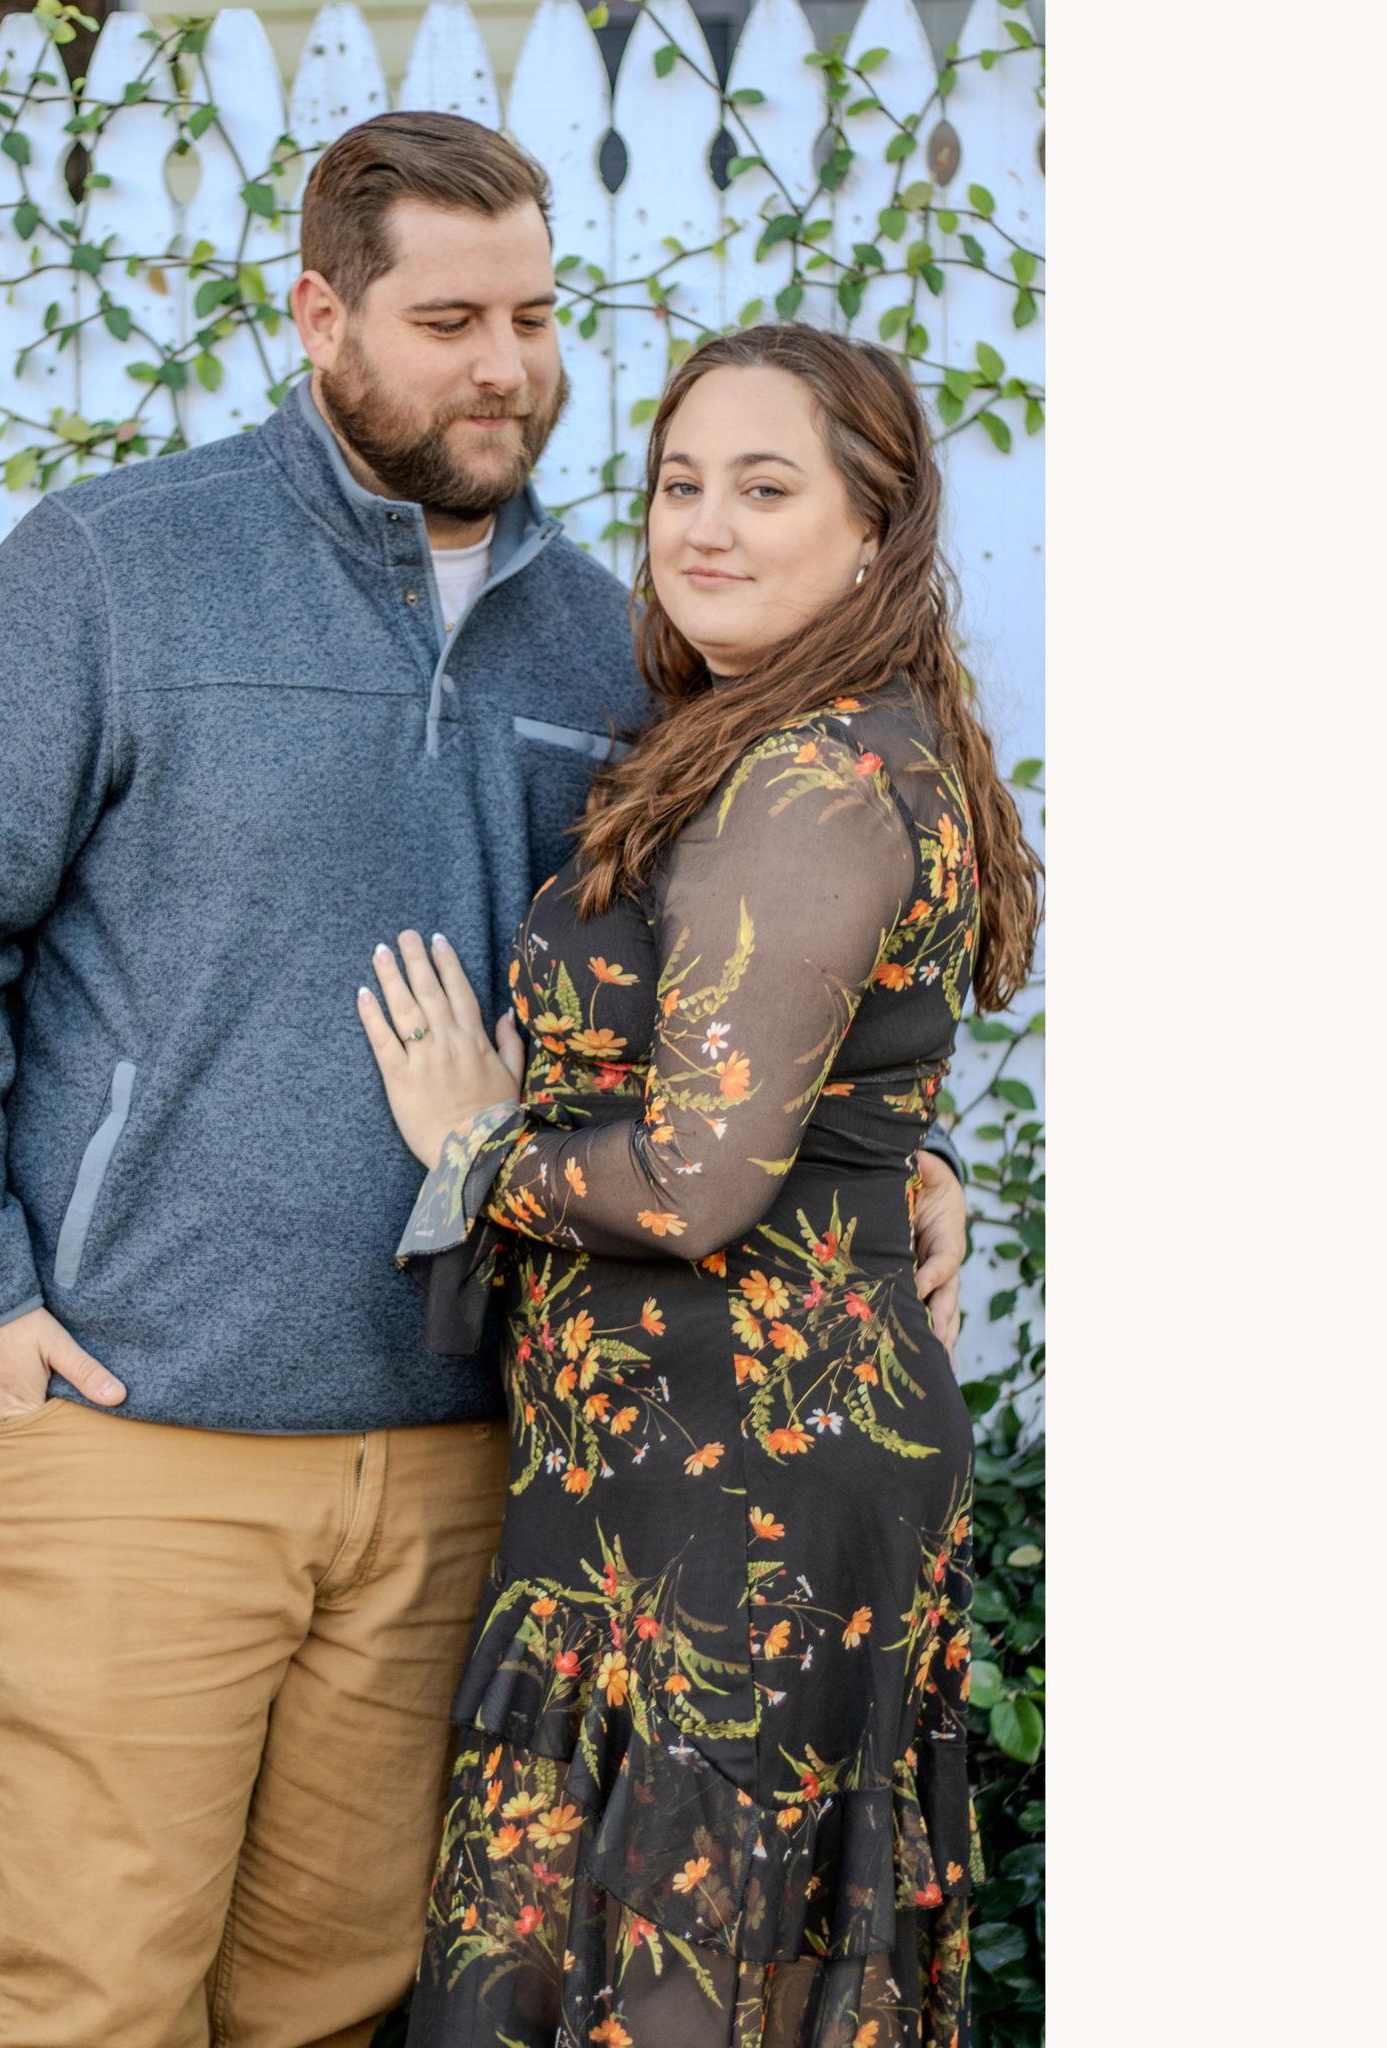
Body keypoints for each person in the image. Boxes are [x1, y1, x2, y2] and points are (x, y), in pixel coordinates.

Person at [0, 112, 971, 2048]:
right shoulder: (120, 567)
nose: (504, 366)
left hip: (465, 1451)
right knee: (86, 1994)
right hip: (134, 1426)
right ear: (318, 316)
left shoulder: (619, 638)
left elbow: (729, 982)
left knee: (335, 2004)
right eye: (448, 322)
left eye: (534, 316)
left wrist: (890, 1154)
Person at [361, 324, 1040, 2048]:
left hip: (738, 1473)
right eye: (680, 483)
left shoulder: (810, 777)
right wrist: (915, 1168)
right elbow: (833, 1088)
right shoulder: (781, 736)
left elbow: (693, 1182)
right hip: (681, 1457)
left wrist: (471, 1145)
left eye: (765, 487)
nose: (705, 526)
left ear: (874, 531)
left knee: (673, 1990)